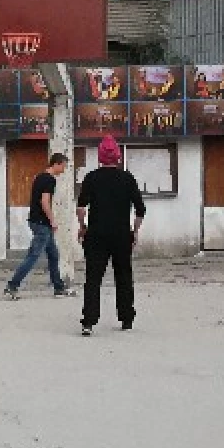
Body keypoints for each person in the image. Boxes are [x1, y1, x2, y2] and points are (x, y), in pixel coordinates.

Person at [75, 136, 146, 336]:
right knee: (123, 276)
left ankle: (88, 322)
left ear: (99, 157)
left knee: (93, 278)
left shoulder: (91, 178)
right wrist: (135, 231)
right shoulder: (127, 178)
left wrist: (83, 227)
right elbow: (140, 209)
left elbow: (81, 208)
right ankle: (126, 318)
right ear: (118, 156)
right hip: (122, 235)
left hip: (96, 235)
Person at [3, 153, 73, 300]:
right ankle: (12, 287)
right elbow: (45, 202)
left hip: (37, 222)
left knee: (53, 255)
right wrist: (52, 220)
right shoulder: (49, 180)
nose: (64, 169)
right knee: (33, 256)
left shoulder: (40, 177)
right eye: (64, 166)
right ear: (57, 164)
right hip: (42, 224)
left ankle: (58, 288)